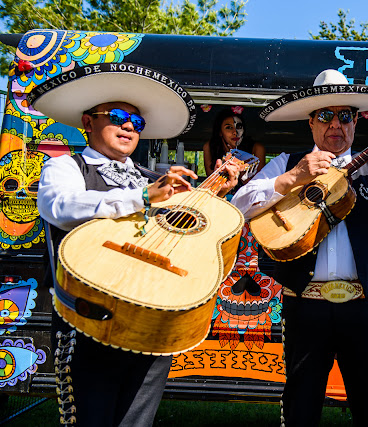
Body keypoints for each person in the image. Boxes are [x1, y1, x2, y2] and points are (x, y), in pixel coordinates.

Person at [29, 63, 240, 426]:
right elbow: (59, 208)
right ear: (87, 122)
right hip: (89, 318)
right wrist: (141, 197)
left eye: (137, 122)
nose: (129, 125)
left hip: (153, 320)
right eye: (118, 116)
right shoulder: (67, 167)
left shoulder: (154, 179)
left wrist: (214, 190)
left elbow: (187, 231)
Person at [231, 69, 368, 426]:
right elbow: (238, 206)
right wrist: (292, 179)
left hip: (364, 302)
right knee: (301, 402)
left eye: (345, 115)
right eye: (325, 116)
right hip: (305, 303)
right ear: (311, 123)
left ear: (355, 122)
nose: (336, 124)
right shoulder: (287, 162)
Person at [203, 106, 266, 179]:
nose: (235, 132)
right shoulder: (210, 147)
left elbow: (258, 184)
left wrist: (240, 164)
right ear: (220, 132)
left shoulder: (257, 148)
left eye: (238, 127)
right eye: (229, 127)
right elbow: (211, 181)